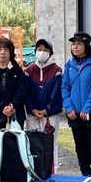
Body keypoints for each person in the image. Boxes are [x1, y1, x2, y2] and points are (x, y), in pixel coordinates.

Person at [61, 32, 91, 177]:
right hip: (74, 113)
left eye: (79, 44)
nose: (75, 47)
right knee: (80, 146)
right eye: (73, 44)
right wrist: (68, 107)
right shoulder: (69, 65)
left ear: (86, 46)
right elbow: (64, 87)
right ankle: (85, 174)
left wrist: (87, 108)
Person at [24, 38, 63, 173]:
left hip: (50, 116)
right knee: (33, 143)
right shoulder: (28, 70)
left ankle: (52, 173)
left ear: (50, 53)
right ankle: (34, 172)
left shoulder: (57, 71)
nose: (42, 52)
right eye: (39, 49)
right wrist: (31, 109)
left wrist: (47, 110)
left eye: (45, 50)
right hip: (32, 115)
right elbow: (25, 93)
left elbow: (57, 93)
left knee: (51, 144)